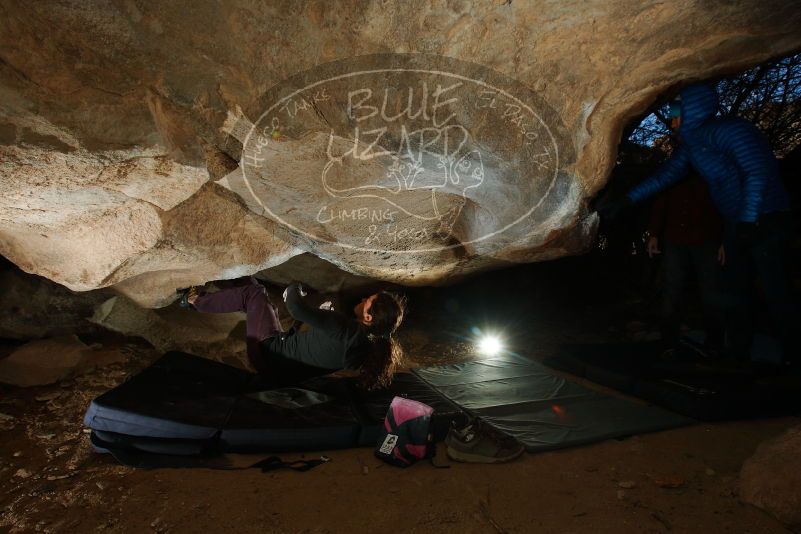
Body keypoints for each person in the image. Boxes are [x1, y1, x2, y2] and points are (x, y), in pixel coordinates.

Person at [599, 82, 798, 367]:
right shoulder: (693, 146)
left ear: (693, 109)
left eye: (677, 110)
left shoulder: (731, 130)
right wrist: (627, 200)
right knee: (736, 291)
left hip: (766, 218)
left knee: (776, 289)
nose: (672, 117)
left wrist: (749, 218)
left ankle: (794, 357)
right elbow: (666, 176)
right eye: (672, 110)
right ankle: (738, 354)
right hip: (737, 222)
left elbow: (757, 172)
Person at [179, 277, 407, 390]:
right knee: (260, 298)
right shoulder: (366, 346)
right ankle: (224, 282)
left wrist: (296, 287)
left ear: (368, 317)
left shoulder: (343, 328)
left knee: (254, 292)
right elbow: (324, 345)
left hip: (266, 351)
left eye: (368, 301)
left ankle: (193, 300)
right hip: (280, 374)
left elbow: (295, 306)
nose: (363, 299)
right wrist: (322, 315)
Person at [646, 173, 725, 354]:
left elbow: (727, 203)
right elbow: (661, 200)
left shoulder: (713, 165)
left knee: (711, 290)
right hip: (675, 238)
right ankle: (668, 342)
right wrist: (654, 233)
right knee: (672, 289)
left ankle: (715, 343)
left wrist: (725, 240)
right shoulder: (676, 167)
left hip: (707, 239)